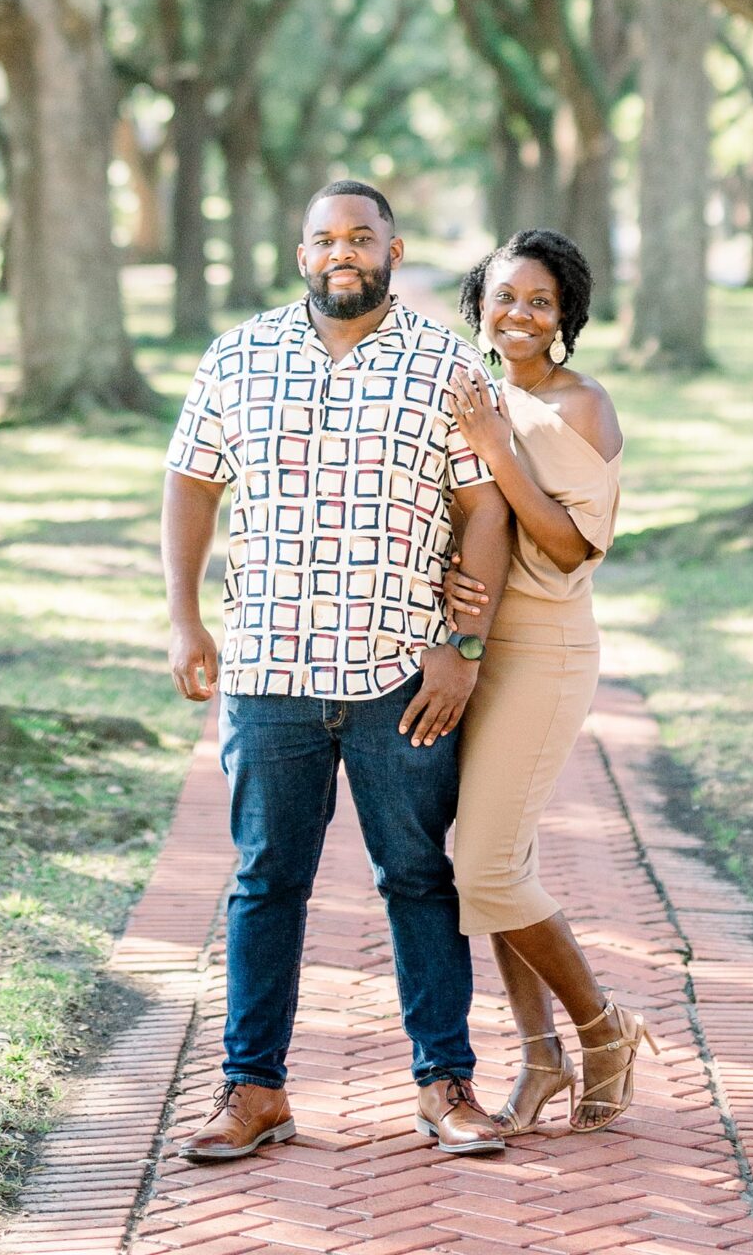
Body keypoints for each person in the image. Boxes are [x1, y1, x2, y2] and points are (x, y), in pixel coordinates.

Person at [161, 179, 514, 1165]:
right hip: (268, 667)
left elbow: (484, 506)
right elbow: (190, 481)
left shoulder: (451, 361)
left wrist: (461, 648)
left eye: (361, 236)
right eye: (324, 237)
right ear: (301, 249)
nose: (341, 251)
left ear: (393, 251)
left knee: (416, 875)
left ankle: (444, 1084)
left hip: (402, 670)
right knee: (267, 878)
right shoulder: (238, 355)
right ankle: (253, 1087)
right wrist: (185, 617)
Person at [442, 227, 654, 1134]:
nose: (518, 315)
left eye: (539, 301)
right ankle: (539, 1063)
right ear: (479, 307)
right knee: (501, 867)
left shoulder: (581, 406)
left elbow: (569, 547)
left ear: (564, 314)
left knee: (481, 866)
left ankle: (602, 1028)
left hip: (546, 652)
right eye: (503, 298)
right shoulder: (470, 390)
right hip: (471, 646)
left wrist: (495, 444)